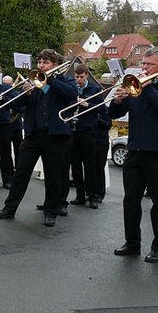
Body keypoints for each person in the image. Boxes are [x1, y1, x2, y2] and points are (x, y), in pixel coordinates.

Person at [109, 48, 158, 263]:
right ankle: (132, 243)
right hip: (135, 151)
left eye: (150, 65)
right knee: (130, 200)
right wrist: (118, 101)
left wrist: (147, 88)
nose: (145, 68)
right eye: (143, 64)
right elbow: (113, 115)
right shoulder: (135, 89)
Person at [0, 50, 78, 227]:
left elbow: (71, 94)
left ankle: (51, 212)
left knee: (53, 176)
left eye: (45, 63)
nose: (41, 66)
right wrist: (25, 93)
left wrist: (50, 80)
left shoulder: (65, 81)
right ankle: (9, 209)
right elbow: (15, 105)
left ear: (55, 65)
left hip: (55, 135)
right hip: (33, 134)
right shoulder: (33, 84)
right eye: (39, 63)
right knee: (21, 172)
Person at [66, 64, 102, 209]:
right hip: (74, 130)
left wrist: (87, 104)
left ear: (87, 75)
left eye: (81, 77)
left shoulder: (95, 89)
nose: (78, 80)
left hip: (88, 131)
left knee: (89, 165)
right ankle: (80, 195)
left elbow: (101, 108)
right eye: (76, 77)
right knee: (75, 165)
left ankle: (92, 196)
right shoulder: (72, 88)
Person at [0, 65, 14, 189]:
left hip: (4, 122)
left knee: (5, 152)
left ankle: (7, 180)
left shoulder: (6, 87)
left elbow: (15, 99)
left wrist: (3, 98)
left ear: (1, 74)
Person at [92, 101, 112, 204]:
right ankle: (91, 193)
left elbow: (108, 125)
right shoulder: (91, 106)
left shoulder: (105, 109)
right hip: (91, 140)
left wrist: (97, 119)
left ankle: (100, 193)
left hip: (102, 142)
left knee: (99, 168)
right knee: (91, 168)